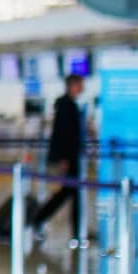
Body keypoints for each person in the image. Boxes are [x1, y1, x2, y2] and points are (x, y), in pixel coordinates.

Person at [31, 74, 86, 240]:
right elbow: (61, 133)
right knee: (68, 192)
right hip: (68, 157)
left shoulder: (69, 105)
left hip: (72, 155)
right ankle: (39, 218)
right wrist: (63, 158)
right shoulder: (66, 106)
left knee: (72, 193)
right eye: (80, 84)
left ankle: (76, 230)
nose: (82, 88)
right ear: (73, 85)